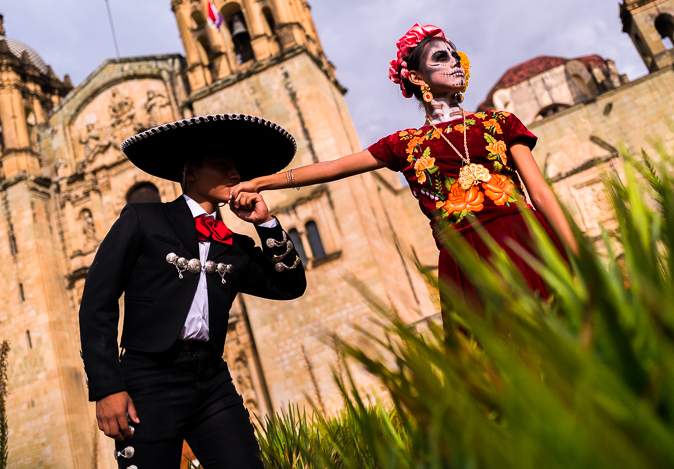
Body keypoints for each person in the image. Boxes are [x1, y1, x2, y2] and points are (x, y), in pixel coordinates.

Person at [232, 24, 575, 308]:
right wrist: (260, 183)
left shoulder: (501, 122)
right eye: (442, 57)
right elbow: (332, 168)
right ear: (416, 76)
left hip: (527, 241)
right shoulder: (404, 144)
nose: (455, 63)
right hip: (466, 262)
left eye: (456, 56)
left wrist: (578, 254)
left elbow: (540, 193)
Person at [79, 113, 306, 469]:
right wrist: (106, 388)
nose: (235, 174)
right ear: (191, 171)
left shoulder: (236, 246)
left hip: (212, 379)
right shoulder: (143, 219)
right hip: (148, 377)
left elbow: (290, 285)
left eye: (237, 168)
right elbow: (97, 303)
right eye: (222, 165)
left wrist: (266, 224)